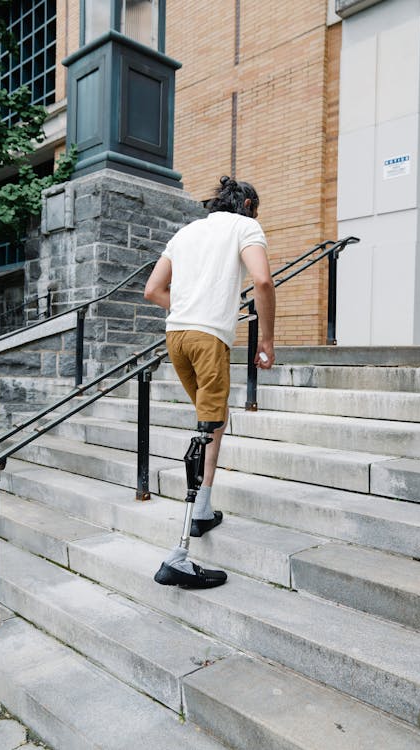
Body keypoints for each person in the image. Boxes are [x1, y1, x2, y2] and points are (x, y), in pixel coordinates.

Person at [144, 175, 276, 588]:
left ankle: (203, 510)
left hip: (176, 336)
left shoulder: (186, 232)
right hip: (207, 340)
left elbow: (152, 290)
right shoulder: (245, 226)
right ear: (249, 204)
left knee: (211, 421)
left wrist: (191, 307)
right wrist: (267, 339)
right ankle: (180, 552)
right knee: (208, 429)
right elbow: (263, 281)